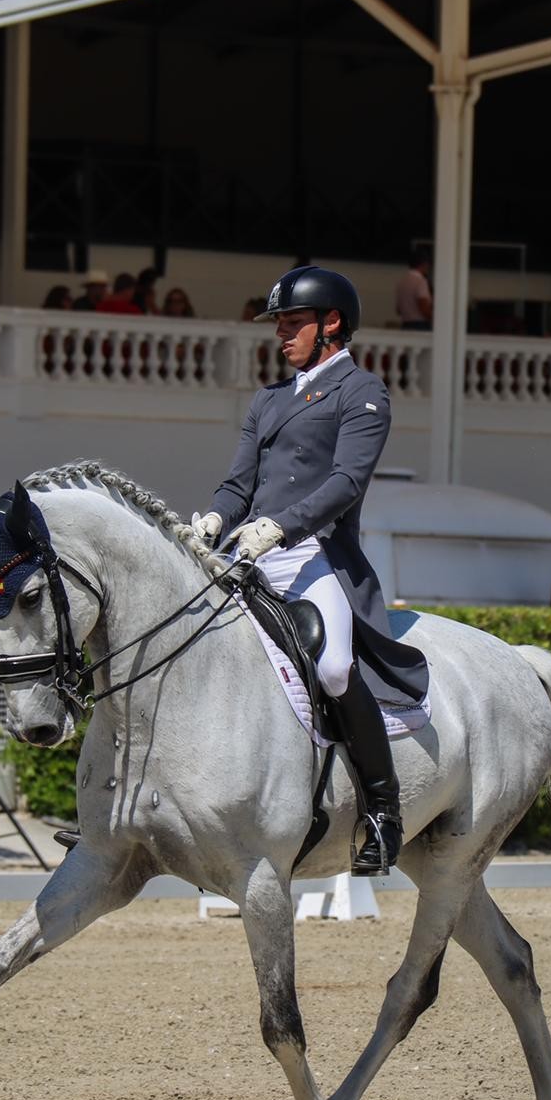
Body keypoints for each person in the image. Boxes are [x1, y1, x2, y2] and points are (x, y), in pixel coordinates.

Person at [191, 266, 430, 876]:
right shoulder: (268, 398)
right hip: (246, 550)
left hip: (311, 553)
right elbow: (237, 483)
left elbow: (348, 481)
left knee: (331, 665)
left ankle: (382, 807)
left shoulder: (363, 392)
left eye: (293, 323)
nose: (282, 335)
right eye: (281, 325)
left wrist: (283, 527)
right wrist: (213, 522)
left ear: (332, 325)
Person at [395, 245, 433, 330]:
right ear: (424, 264)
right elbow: (423, 307)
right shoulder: (421, 281)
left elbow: (398, 310)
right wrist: (436, 319)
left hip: (405, 325)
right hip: (420, 326)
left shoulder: (402, 282)